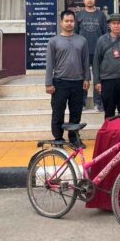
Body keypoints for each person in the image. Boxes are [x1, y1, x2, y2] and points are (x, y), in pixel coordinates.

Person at [45, 10, 90, 148]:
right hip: (60, 82)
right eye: (66, 21)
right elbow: (49, 63)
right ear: (61, 23)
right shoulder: (53, 41)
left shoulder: (82, 40)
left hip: (78, 82)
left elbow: (86, 61)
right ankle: (58, 138)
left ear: (74, 22)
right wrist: (48, 83)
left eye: (71, 21)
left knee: (76, 112)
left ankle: (74, 138)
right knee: (58, 112)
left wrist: (87, 78)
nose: (69, 23)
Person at [75, 0, 107, 113]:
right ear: (83, 0)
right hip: (82, 51)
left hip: (98, 51)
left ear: (95, 0)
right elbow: (75, 34)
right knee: (83, 77)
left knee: (98, 77)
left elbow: (105, 33)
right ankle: (82, 102)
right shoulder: (79, 15)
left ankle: (98, 103)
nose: (89, 0)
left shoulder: (101, 15)